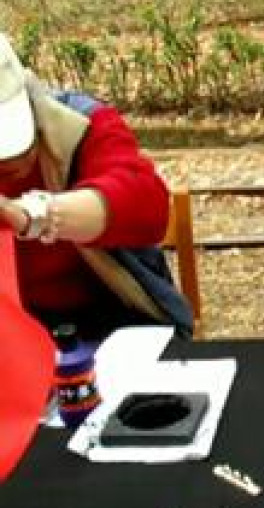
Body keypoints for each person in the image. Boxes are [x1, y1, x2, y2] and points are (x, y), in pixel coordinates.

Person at [0, 32, 192, 340]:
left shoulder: (81, 123)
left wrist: (32, 216)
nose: (10, 164)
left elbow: (147, 205)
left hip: (108, 317)